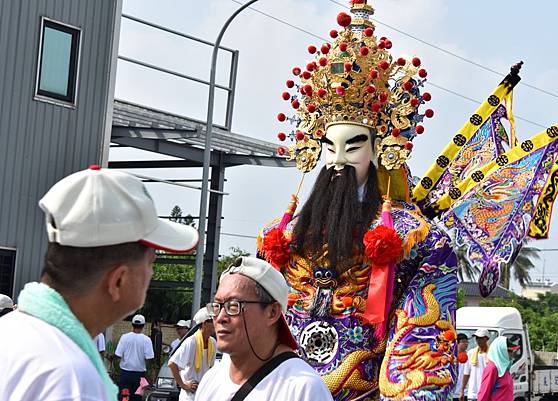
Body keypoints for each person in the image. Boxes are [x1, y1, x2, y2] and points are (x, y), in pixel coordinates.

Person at [258, 3, 457, 400]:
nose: (337, 161)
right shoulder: (283, 235)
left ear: (379, 149)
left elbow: (421, 348)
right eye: (329, 147)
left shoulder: (420, 241)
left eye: (352, 146)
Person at [0, 166, 198, 401]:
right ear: (118, 280)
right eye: (150, 263)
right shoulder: (73, 382)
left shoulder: (12, 331)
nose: (151, 274)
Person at [195, 256, 333, 401]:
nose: (221, 317)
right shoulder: (211, 380)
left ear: (272, 312)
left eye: (234, 305)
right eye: (217, 306)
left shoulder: (302, 389)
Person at [168, 308, 216, 401]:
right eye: (212, 320)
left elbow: (211, 368)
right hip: (189, 395)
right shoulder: (191, 342)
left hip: (204, 393)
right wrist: (183, 385)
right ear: (204, 323)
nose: (215, 323)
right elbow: (172, 363)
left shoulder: (213, 342)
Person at [115, 314, 154, 401]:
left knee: (124, 398)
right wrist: (147, 371)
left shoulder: (124, 337)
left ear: (132, 324)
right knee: (137, 397)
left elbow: (117, 355)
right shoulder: (146, 340)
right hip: (139, 375)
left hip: (125, 374)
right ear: (143, 325)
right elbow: (149, 358)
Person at [477, 336, 517, 401]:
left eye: (512, 351)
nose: (512, 354)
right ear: (500, 351)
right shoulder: (492, 368)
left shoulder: (505, 368)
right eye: (509, 351)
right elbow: (484, 393)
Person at [461, 329, 490, 401]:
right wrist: (462, 390)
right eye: (477, 338)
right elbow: (466, 373)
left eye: (481, 338)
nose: (478, 340)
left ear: (486, 338)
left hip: (486, 393)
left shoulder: (491, 354)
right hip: (473, 393)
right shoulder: (471, 353)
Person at [453, 333, 469, 401]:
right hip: (452, 393)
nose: (466, 344)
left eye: (467, 341)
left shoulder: (470, 356)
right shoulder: (451, 357)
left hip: (464, 393)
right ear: (457, 343)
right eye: (463, 341)